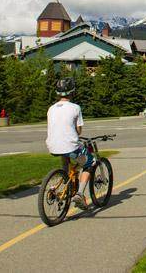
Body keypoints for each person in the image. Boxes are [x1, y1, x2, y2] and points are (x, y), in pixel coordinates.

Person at [46, 77, 94, 210]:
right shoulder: (75, 108)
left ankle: (65, 175)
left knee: (64, 152)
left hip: (53, 145)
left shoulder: (51, 109)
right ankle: (80, 193)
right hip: (70, 145)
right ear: (72, 92)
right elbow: (78, 131)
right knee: (90, 163)